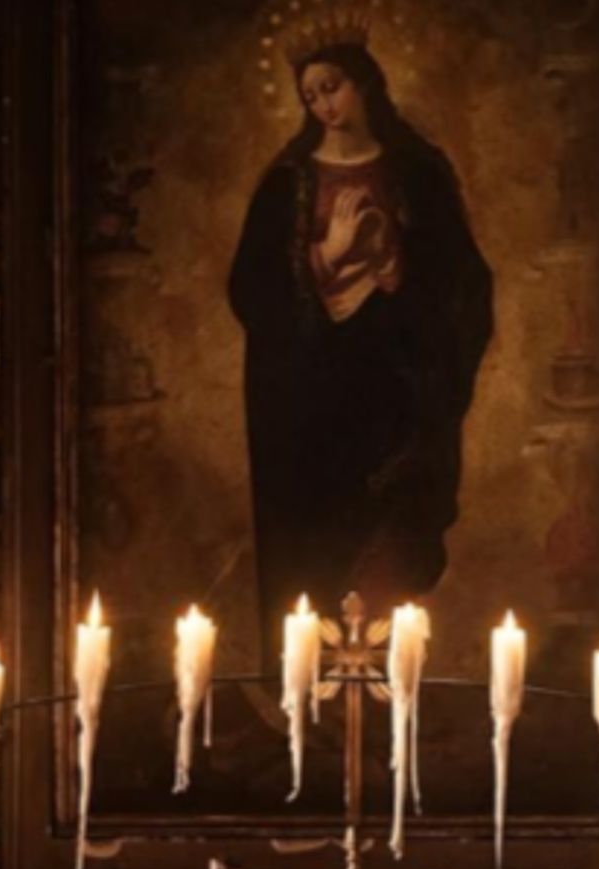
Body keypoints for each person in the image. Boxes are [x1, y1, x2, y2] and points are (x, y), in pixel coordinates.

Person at [228, 39, 494, 655]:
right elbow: (251, 290)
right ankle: (312, 698)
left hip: (398, 388)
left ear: (365, 82)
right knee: (318, 545)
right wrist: (329, 255)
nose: (324, 105)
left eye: (333, 86)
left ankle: (387, 694)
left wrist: (401, 276)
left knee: (392, 536)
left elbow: (465, 282)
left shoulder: (418, 171)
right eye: (311, 95)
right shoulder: (288, 183)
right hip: (311, 399)